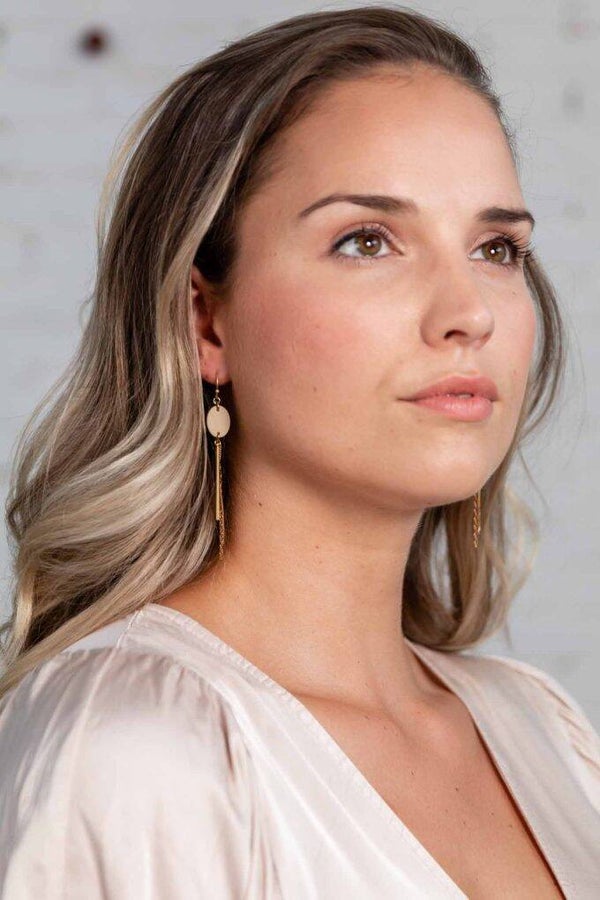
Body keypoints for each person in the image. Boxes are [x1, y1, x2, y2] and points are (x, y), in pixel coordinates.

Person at [0, 5, 598, 898]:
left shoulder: (544, 730)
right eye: (368, 241)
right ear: (206, 322)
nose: (469, 312)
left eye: (496, 247)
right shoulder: (129, 747)